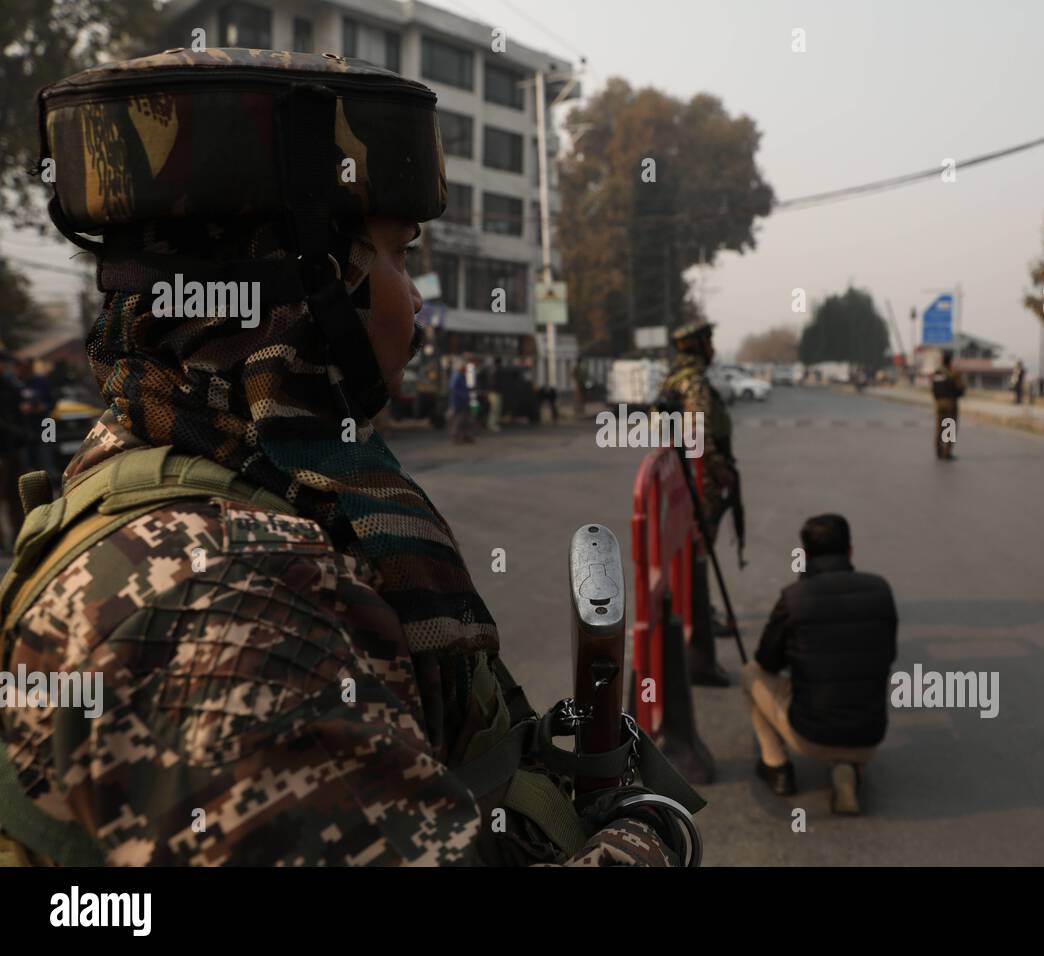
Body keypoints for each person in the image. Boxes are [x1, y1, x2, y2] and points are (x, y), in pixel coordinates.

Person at [0, 48, 689, 867]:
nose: (417, 298)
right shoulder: (232, 598)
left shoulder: (165, 458)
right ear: (316, 285)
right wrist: (647, 835)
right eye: (401, 255)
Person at [742, 515, 897, 815]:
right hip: (869, 737)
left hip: (810, 735)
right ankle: (846, 767)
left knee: (751, 674)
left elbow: (767, 661)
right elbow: (886, 654)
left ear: (806, 555)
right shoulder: (881, 590)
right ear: (850, 551)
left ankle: (778, 767)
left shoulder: (795, 597)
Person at [657, 319, 741, 686]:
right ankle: (699, 656)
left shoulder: (673, 379)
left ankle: (698, 620)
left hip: (682, 481)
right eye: (709, 340)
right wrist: (717, 477)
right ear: (697, 346)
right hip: (698, 483)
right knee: (698, 558)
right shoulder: (694, 383)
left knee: (693, 558)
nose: (713, 347)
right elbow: (699, 437)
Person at [0, 350, 27, 552]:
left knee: (15, 496)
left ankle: (19, 539)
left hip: (13, 449)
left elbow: (19, 412)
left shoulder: (10, 386)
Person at [931, 350, 965, 460]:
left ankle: (938, 451)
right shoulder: (953, 373)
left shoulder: (937, 373)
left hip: (939, 403)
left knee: (939, 427)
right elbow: (961, 388)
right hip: (950, 403)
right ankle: (947, 453)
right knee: (949, 427)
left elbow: (933, 389)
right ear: (950, 360)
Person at [450, 361, 474, 444]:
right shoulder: (457, 377)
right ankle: (456, 438)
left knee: (466, 421)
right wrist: (464, 396)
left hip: (464, 402)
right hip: (459, 403)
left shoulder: (462, 377)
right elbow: (455, 390)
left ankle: (465, 437)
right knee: (459, 421)